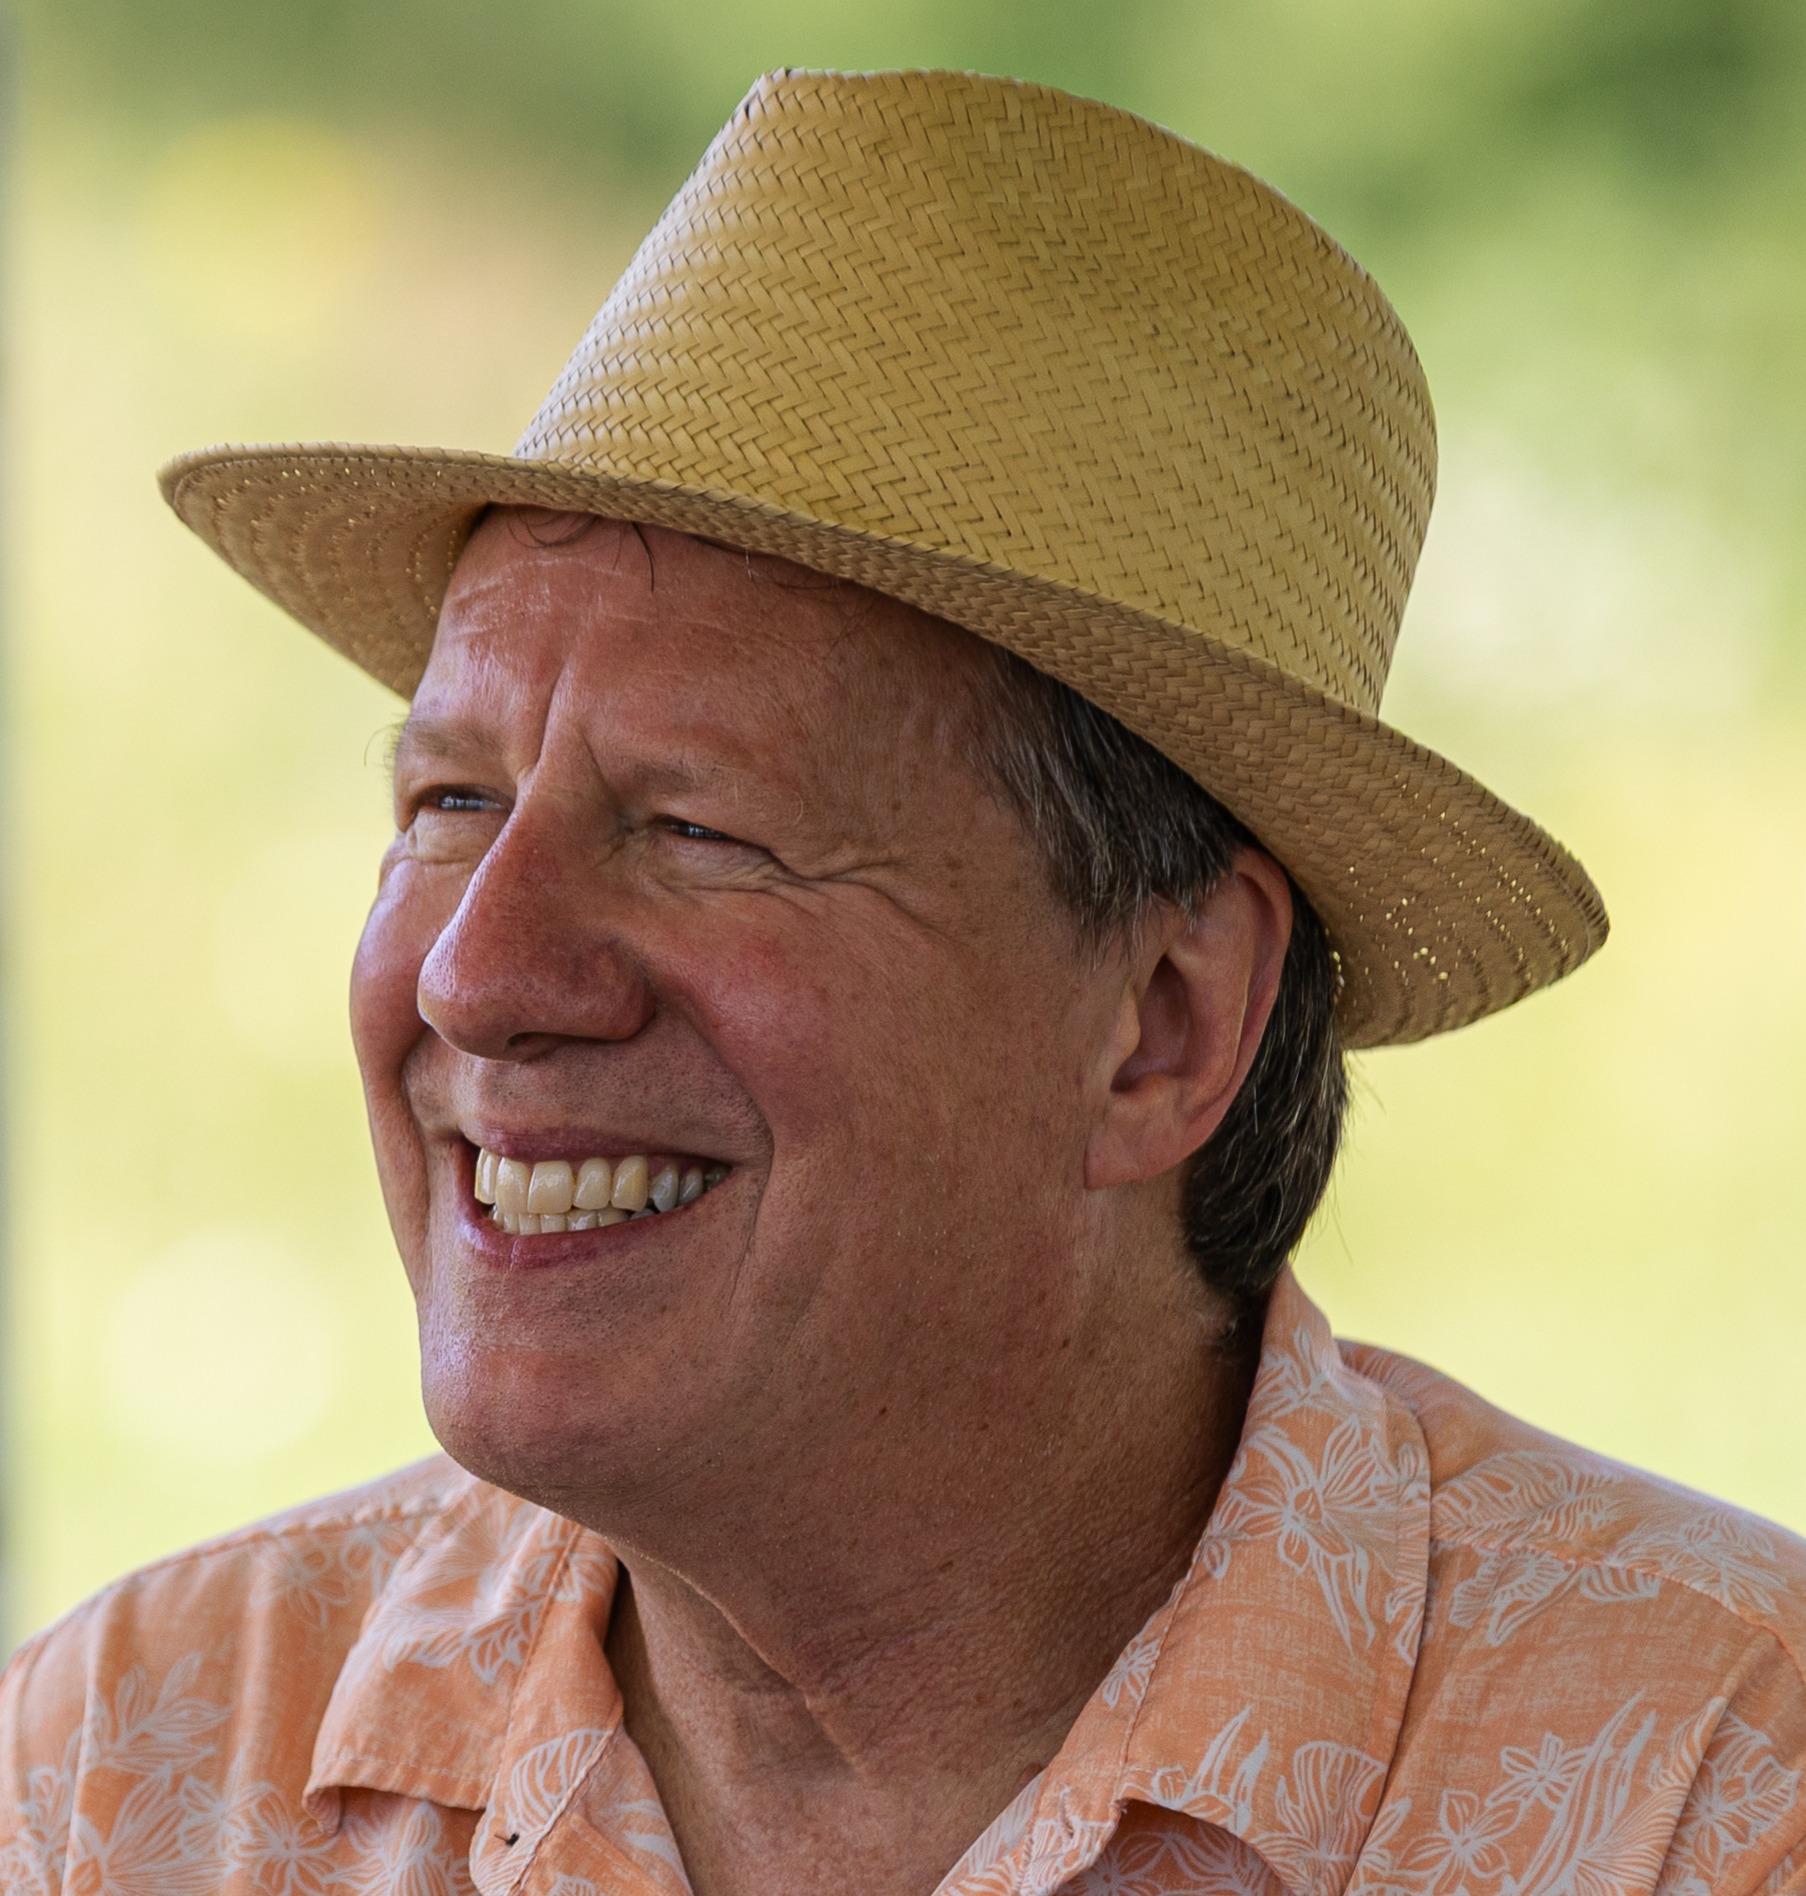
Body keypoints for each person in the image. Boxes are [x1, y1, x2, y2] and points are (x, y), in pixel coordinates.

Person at [3, 66, 1802, 1896]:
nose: (479, 976)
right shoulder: (131, 1769)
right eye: (452, 803)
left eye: (696, 827)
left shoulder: (1721, 1799)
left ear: (1164, 1023)